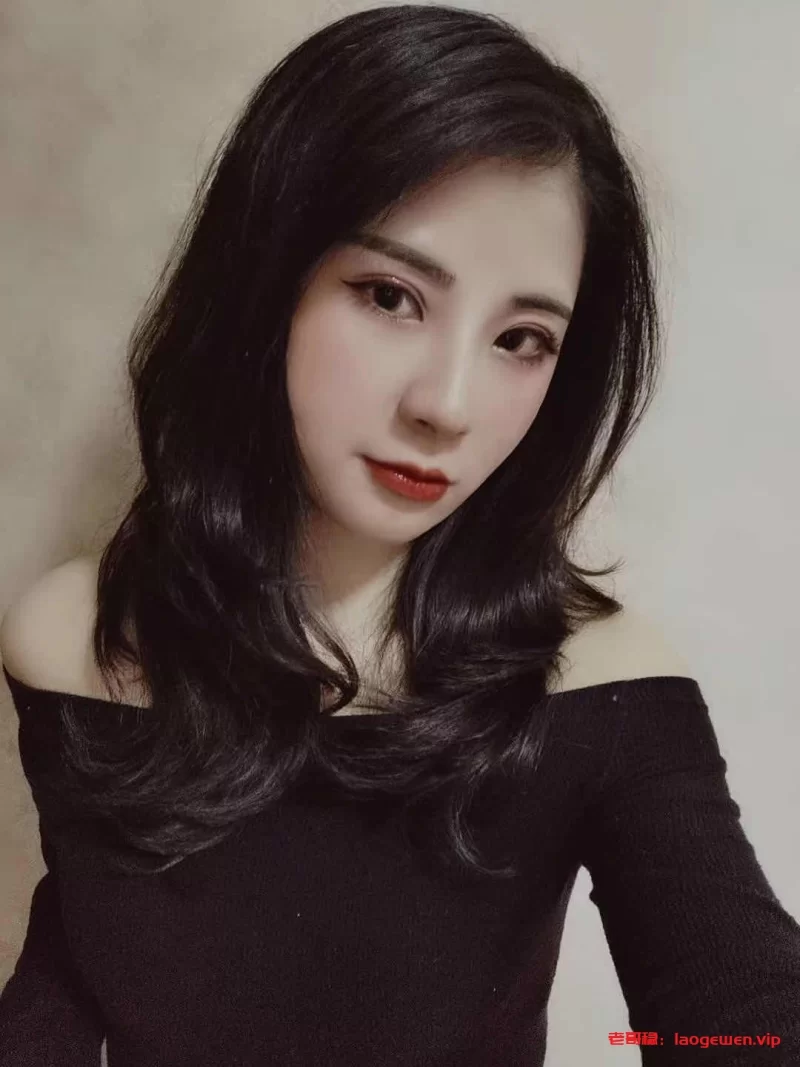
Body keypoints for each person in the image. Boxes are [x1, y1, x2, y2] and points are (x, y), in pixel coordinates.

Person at [1, 5, 798, 1065]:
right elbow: (84, 957)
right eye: (389, 295)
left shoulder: (599, 681)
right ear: (264, 281)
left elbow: (739, 1008)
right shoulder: (71, 638)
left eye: (522, 338)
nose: (448, 405)